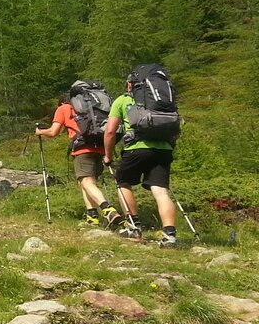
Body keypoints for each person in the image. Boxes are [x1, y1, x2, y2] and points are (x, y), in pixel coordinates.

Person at [104, 74, 180, 246]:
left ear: (130, 84)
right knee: (161, 191)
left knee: (122, 182)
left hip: (136, 148)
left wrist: (108, 155)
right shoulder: (162, 101)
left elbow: (110, 131)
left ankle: (133, 226)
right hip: (163, 149)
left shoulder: (123, 100)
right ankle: (169, 235)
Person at [36, 89, 124, 228]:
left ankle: (108, 210)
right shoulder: (89, 107)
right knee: (86, 182)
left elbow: (53, 132)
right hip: (101, 147)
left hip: (83, 148)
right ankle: (92, 217)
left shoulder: (63, 108)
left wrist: (40, 131)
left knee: (87, 182)